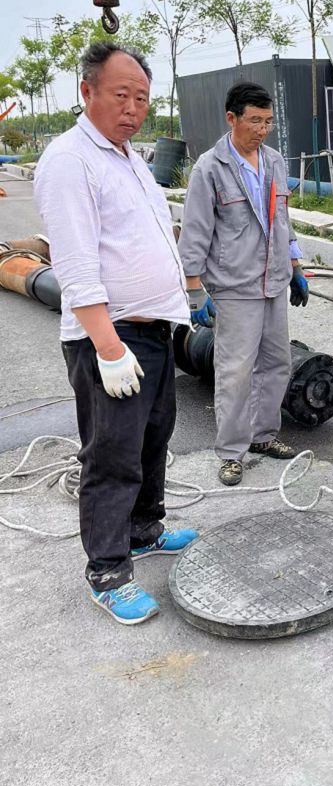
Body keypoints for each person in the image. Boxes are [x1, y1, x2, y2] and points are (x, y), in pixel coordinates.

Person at [33, 42, 197, 626]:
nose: (132, 108)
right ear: (88, 92)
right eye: (120, 95)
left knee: (153, 440)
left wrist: (184, 297)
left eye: (142, 99)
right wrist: (107, 346)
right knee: (112, 455)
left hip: (153, 331)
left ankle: (144, 530)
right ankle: (107, 569)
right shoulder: (70, 159)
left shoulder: (128, 158)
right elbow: (75, 264)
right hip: (111, 336)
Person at [178, 82, 309, 486]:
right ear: (231, 118)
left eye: (268, 121)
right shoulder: (209, 168)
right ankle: (231, 452)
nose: (262, 129)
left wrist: (296, 265)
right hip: (234, 286)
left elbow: (282, 219)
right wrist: (194, 287)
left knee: (276, 362)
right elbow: (196, 230)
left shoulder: (273, 161)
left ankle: (264, 436)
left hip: (273, 280)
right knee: (235, 371)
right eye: (255, 120)